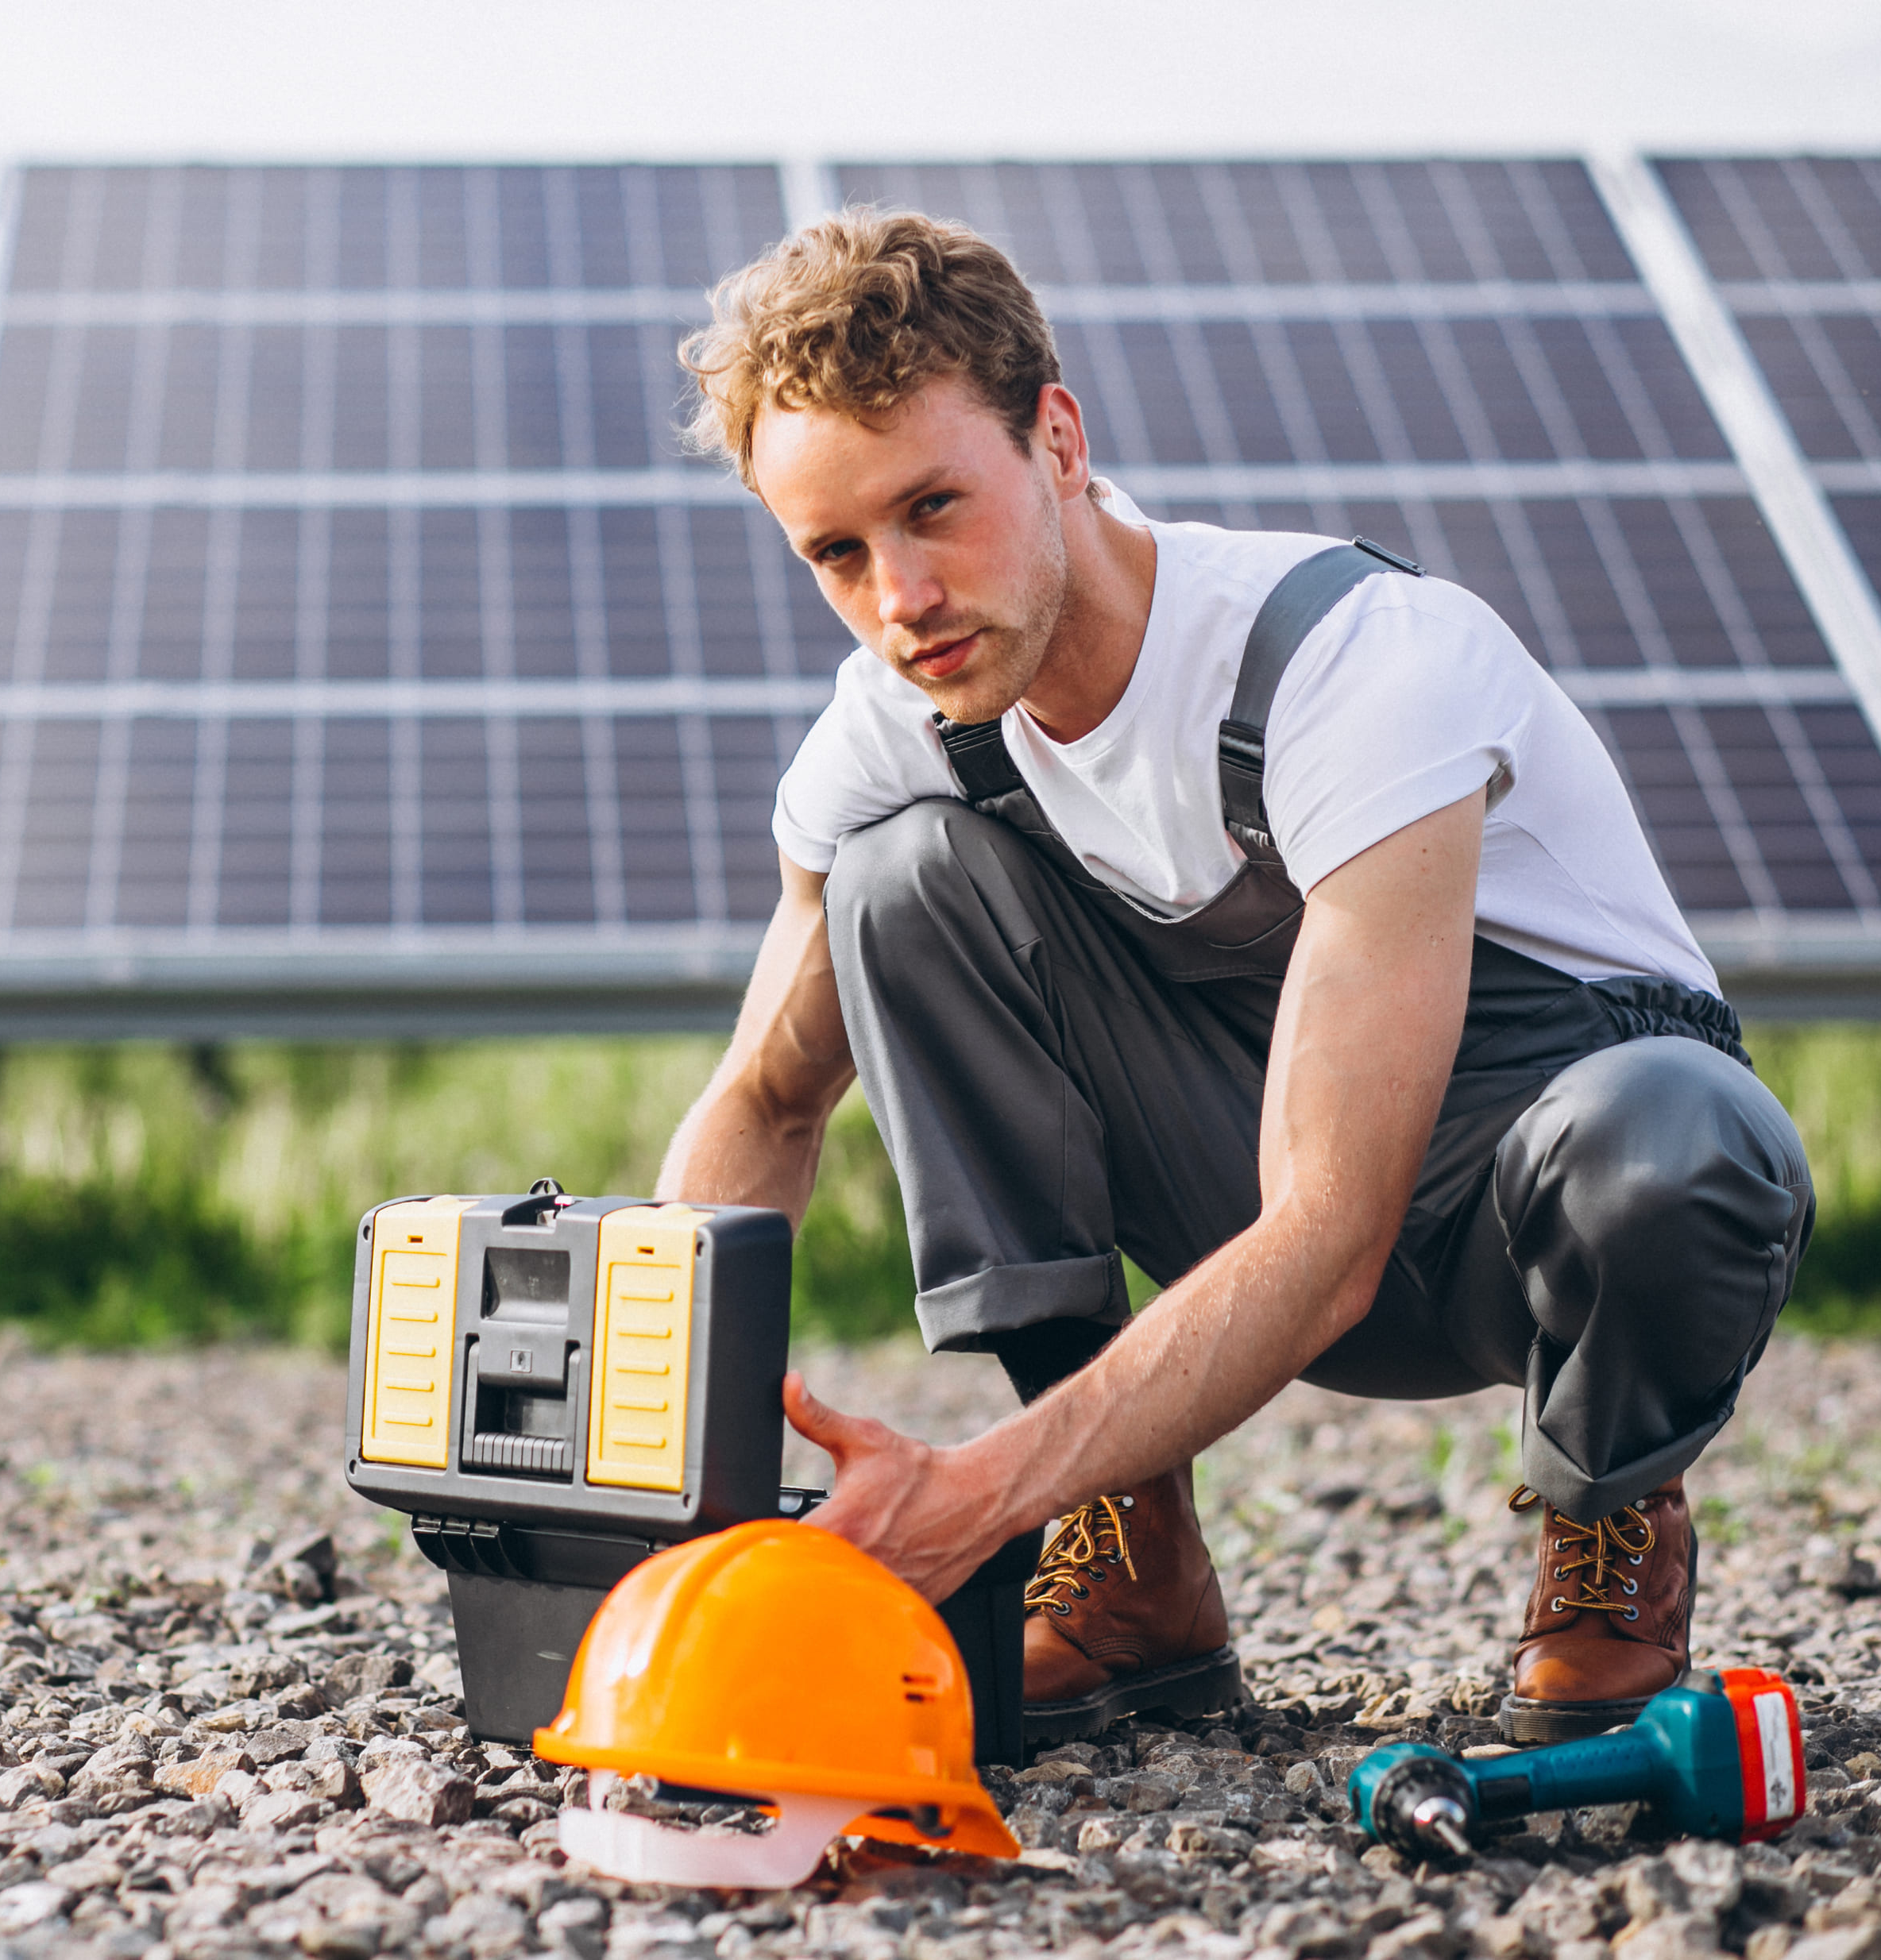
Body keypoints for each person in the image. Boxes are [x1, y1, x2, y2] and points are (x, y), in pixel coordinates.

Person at [651, 209, 1814, 1743]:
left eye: (935, 506)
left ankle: (1610, 1527)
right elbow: (767, 1097)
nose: (901, 599)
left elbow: (1336, 1235)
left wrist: (972, 1505)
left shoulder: (1352, 663)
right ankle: (1133, 1572)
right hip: (1255, 1196)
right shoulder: (896, 720)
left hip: (1521, 1212)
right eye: (839, 554)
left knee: (1681, 1135)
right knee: (903, 880)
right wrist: (653, 1479)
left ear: (1057, 441)